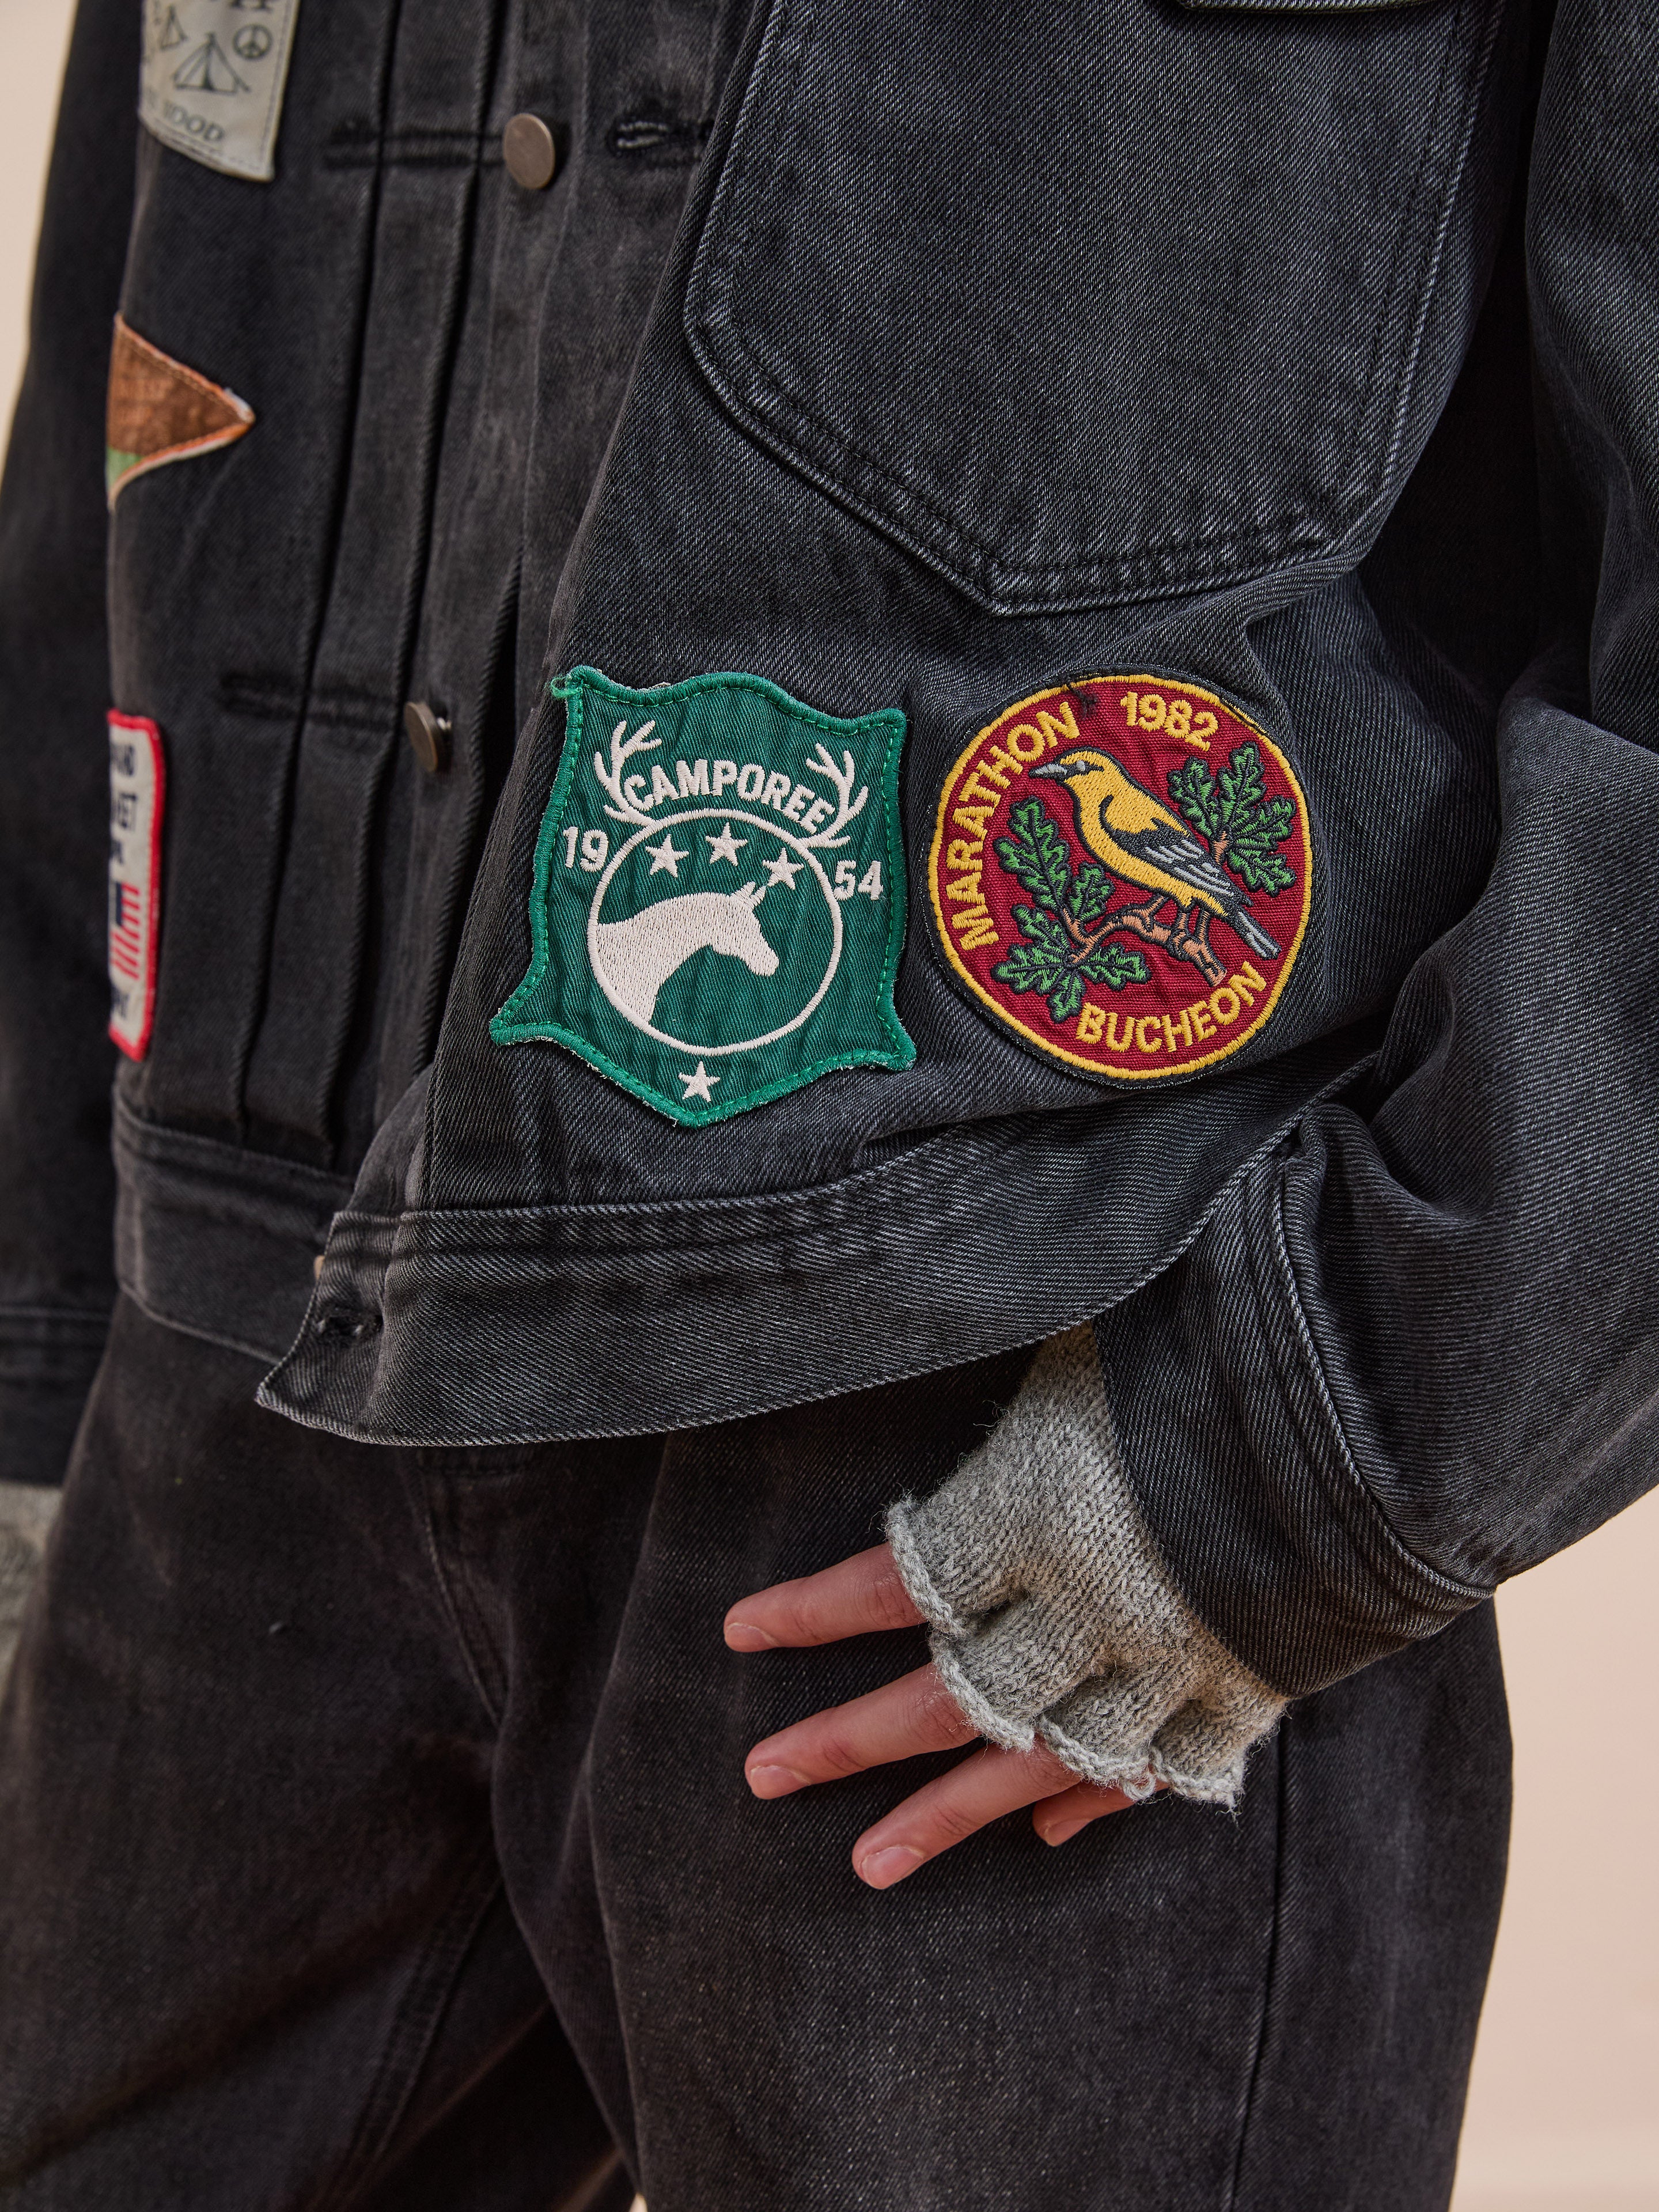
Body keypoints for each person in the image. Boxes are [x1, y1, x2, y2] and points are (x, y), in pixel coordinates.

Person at [0, 0, 1653, 2204]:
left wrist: (1311, 1449)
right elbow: (124, 403)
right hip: (231, 1349)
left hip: (1010, 1397)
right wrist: (29, 1360)